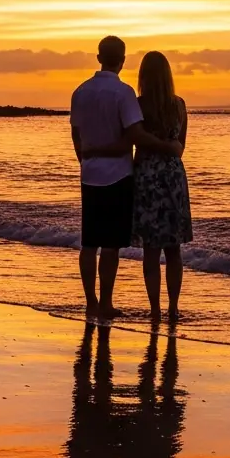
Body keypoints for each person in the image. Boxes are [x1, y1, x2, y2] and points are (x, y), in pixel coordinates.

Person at [70, 36, 181, 319]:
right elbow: (134, 136)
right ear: (122, 60)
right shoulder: (124, 93)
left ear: (98, 58)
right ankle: (108, 303)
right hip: (121, 175)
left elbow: (76, 133)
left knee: (89, 243)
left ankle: (92, 302)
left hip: (93, 174)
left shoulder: (80, 92)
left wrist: (86, 157)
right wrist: (168, 147)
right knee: (111, 245)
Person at [130, 52, 192, 321]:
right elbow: (180, 148)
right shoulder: (178, 105)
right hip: (173, 178)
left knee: (151, 251)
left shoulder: (137, 106)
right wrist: (168, 146)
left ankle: (155, 309)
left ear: (143, 76)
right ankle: (173, 307)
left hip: (146, 177)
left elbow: (134, 140)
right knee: (174, 249)